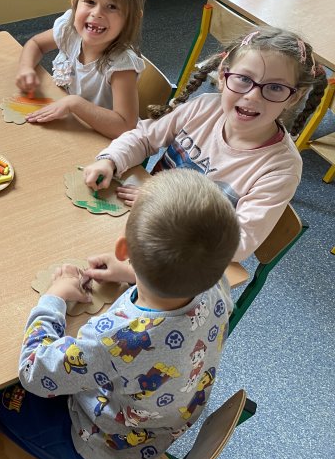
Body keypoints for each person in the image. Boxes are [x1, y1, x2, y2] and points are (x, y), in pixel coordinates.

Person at [0, 169, 240, 459]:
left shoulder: (115, 340)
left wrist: (54, 298)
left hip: (99, 450)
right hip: (152, 436)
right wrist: (135, 272)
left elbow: (34, 371)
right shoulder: (217, 286)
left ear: (123, 249)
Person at [80, 26, 326, 286]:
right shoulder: (204, 108)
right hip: (142, 223)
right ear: (222, 75)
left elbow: (239, 243)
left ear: (295, 96)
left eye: (275, 87)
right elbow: (143, 136)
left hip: (188, 263)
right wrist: (110, 160)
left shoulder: (281, 168)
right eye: (243, 79)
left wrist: (164, 205)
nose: (253, 96)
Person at [16, 0, 147, 139]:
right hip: (74, 126)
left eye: (112, 6)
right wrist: (26, 68)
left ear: (132, 19)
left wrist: (74, 103)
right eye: (90, 2)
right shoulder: (70, 30)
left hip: (102, 141)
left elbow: (124, 126)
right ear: (75, 4)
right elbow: (36, 44)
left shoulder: (121, 65)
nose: (97, 13)